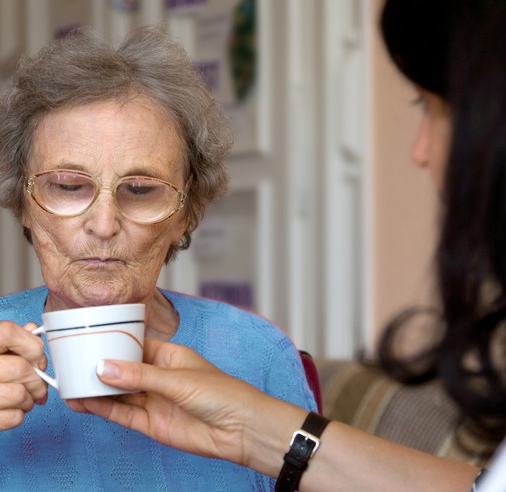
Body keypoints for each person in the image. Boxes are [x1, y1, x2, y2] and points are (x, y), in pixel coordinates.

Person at [0, 27, 316, 491]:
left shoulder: (258, 355)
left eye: (140, 190)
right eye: (69, 186)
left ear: (187, 211)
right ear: (22, 203)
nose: (103, 223)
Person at [67, 0, 506, 491]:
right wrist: (253, 428)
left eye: (433, 106)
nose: (419, 151)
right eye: (67, 186)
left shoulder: (263, 354)